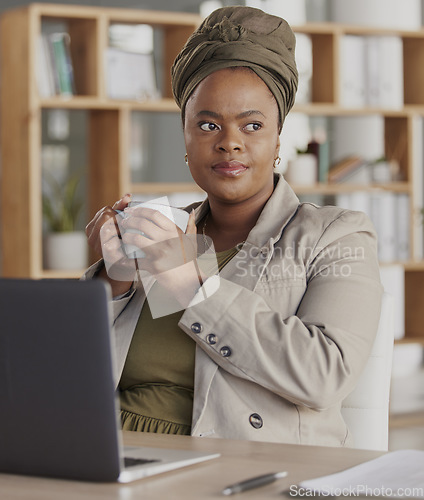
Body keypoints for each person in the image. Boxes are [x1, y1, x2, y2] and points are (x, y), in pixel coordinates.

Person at [84, 6, 383, 447]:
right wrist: (112, 281)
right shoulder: (162, 232)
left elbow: (325, 374)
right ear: (185, 137)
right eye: (208, 124)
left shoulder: (334, 236)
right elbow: (64, 376)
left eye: (252, 124)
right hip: (109, 456)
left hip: (239, 471)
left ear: (278, 136)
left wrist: (193, 286)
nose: (230, 141)